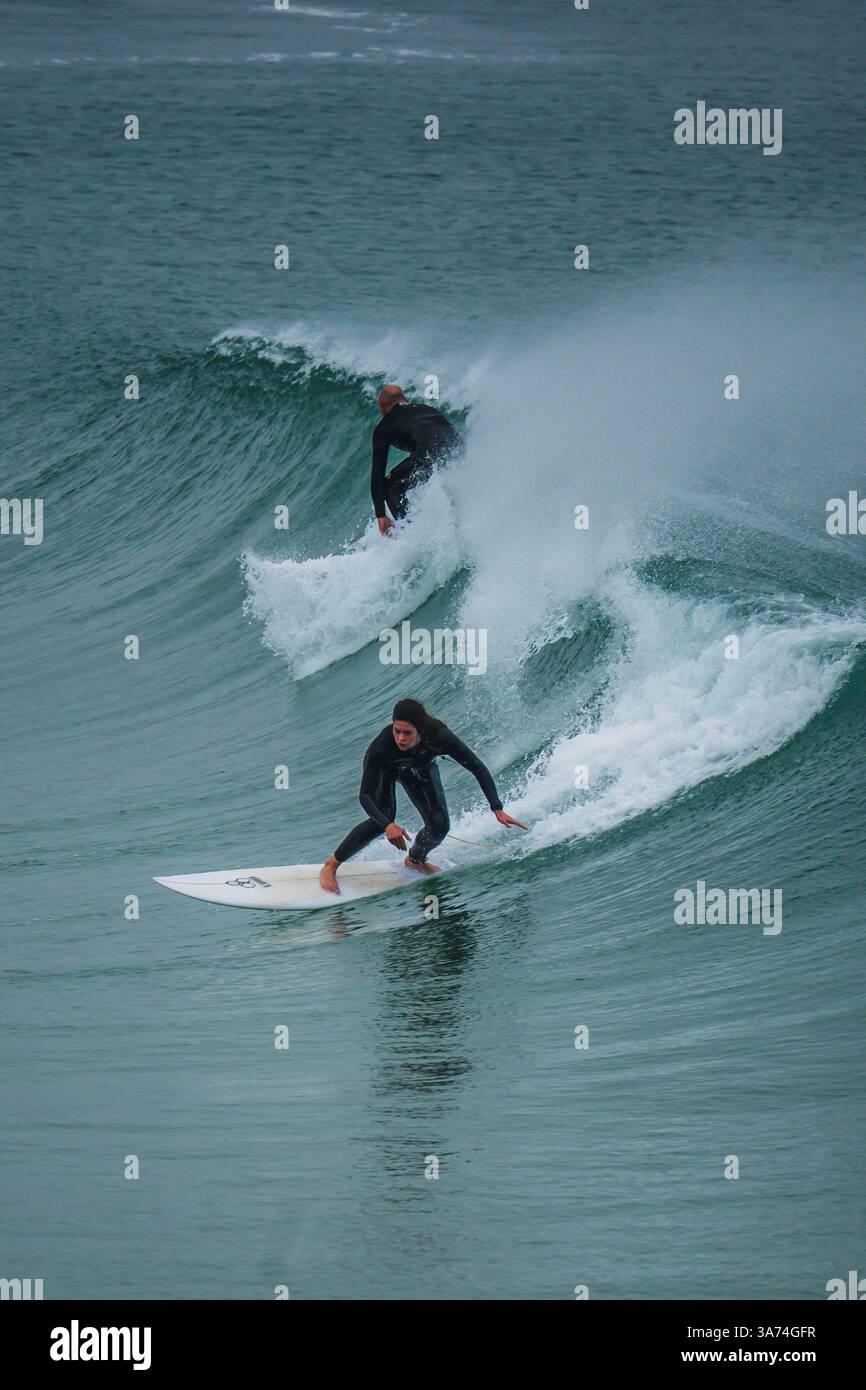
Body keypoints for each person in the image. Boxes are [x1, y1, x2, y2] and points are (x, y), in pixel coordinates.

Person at [319, 698, 527, 894]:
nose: (400, 738)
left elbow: (476, 766)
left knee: (439, 825)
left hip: (420, 766)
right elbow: (365, 796)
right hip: (387, 768)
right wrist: (388, 826)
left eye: (407, 733)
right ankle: (332, 864)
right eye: (396, 731)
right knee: (383, 816)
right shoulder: (382, 747)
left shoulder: (439, 736)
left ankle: (415, 860)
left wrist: (496, 807)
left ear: (420, 731)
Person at [371, 385, 462, 534]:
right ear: (405, 400)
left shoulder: (384, 426)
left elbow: (377, 474)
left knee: (391, 485)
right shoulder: (428, 409)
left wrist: (381, 515)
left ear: (382, 410)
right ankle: (457, 523)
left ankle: (410, 535)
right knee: (447, 480)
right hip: (457, 447)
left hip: (429, 451)